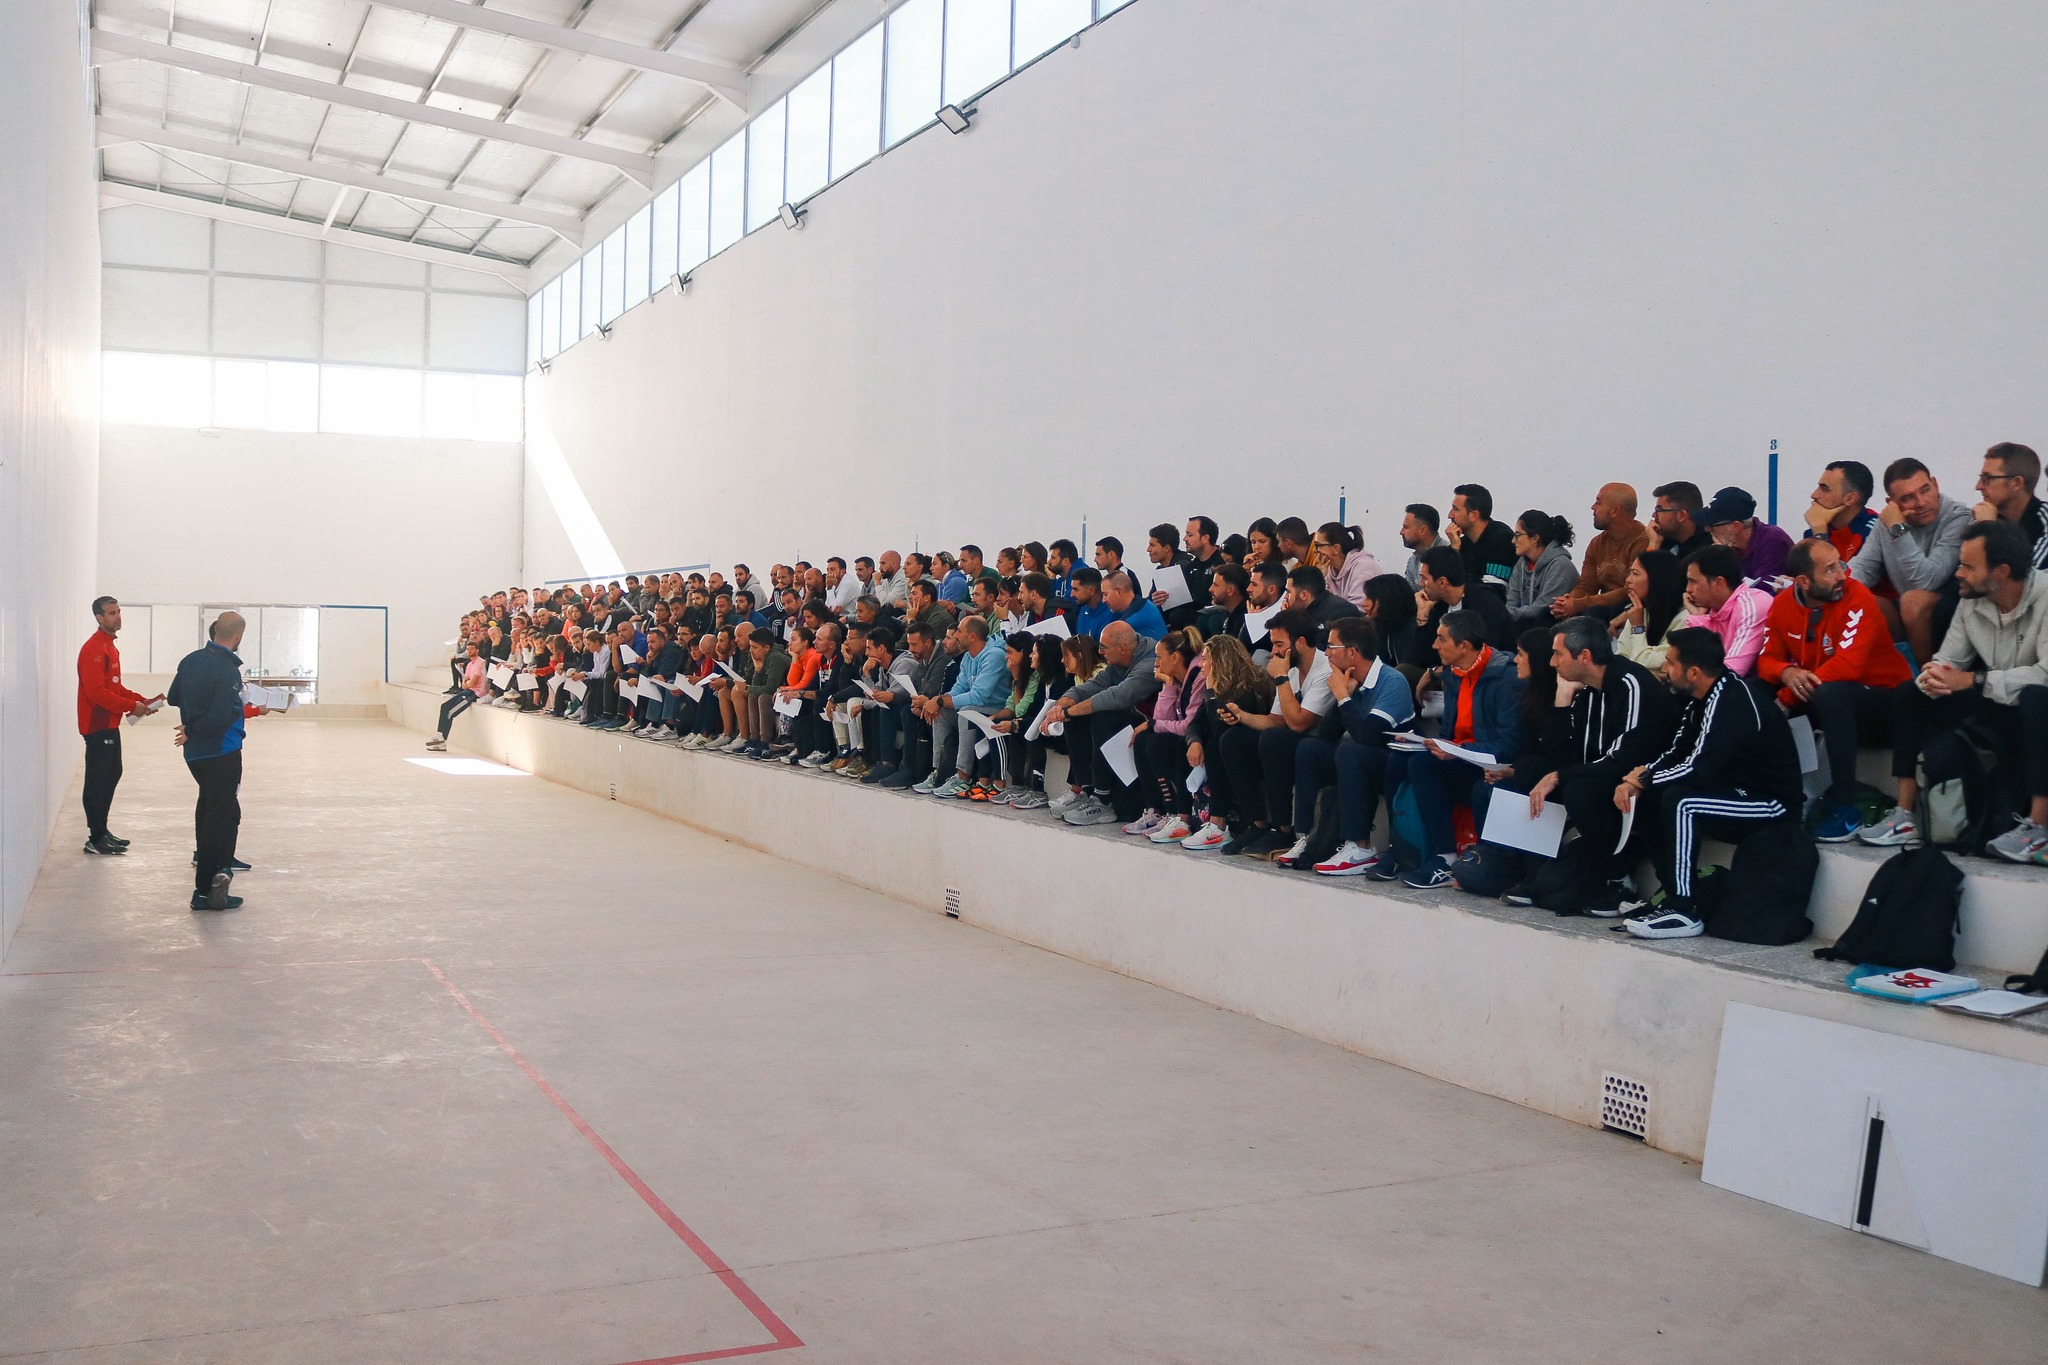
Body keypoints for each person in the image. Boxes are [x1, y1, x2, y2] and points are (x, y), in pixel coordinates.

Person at [1857, 520, 2048, 861]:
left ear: (2001, 571)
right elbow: (1949, 660)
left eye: (1968, 566)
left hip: (2036, 709)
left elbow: (2045, 675)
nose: (1958, 573)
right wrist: (1933, 676)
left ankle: (2039, 827)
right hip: (1998, 703)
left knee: (2037, 698)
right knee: (1911, 693)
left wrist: (1974, 681)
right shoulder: (1972, 597)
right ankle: (1905, 815)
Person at [1613, 628, 1804, 939]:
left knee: (1681, 801)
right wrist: (1642, 776)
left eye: (1671, 663)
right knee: (1655, 795)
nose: (1665, 668)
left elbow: (1698, 770)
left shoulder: (1732, 701)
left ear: (1693, 672)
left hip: (1771, 804)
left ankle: (1684, 909)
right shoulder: (1700, 699)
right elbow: (1678, 751)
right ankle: (1671, 893)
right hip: (1732, 794)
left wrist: (1645, 779)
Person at [1506, 616, 1679, 909]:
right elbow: (1563, 755)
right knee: (1530, 770)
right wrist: (1562, 699)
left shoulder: (1632, 684)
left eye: (1558, 654)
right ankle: (1536, 871)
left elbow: (1623, 760)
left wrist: (1559, 776)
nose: (1552, 663)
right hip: (1603, 776)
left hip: (1639, 784)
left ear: (1584, 656)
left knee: (1578, 789)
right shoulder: (1586, 690)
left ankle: (1619, 878)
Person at [1755, 537, 1910, 840]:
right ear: (1803, 582)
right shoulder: (1782, 604)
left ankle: (1844, 804)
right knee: (1756, 691)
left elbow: (1847, 666)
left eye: (1840, 564)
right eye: (1829, 570)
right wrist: (1786, 672)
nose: (1842, 574)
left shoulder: (1858, 596)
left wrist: (1787, 695)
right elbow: (1766, 660)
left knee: (1829, 693)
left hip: (1885, 703)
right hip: (1829, 697)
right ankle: (1774, 793)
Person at [1371, 609, 1523, 888]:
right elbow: (1449, 732)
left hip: (1492, 768)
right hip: (1462, 757)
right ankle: (1409, 850)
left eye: (1441, 639)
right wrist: (1428, 744)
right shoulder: (1453, 673)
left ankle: (1448, 858)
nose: (1434, 645)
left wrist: (1457, 749)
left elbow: (1508, 746)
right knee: (1403, 759)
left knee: (1423, 765)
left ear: (1463, 645)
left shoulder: (1507, 680)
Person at [1285, 616, 1416, 874]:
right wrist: (1344, 695)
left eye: (1331, 647)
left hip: (1394, 763)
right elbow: (1327, 734)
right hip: (1360, 761)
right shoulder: (1350, 680)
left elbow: (1368, 737)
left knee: (1350, 751)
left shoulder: (1392, 681)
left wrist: (1343, 696)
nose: (1326, 653)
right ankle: (1307, 838)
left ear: (1352, 652)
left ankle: (1360, 846)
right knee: (1310, 749)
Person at [1212, 611, 1335, 858]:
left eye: (1279, 644)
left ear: (1300, 642)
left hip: (1319, 748)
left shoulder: (1325, 669)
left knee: (1274, 739)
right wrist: (1241, 716)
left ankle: (1283, 828)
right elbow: (1276, 720)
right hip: (1289, 742)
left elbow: (1299, 724)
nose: (1274, 652)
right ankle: (1257, 824)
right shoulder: (1290, 669)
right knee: (1233, 740)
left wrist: (1280, 678)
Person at [169, 612, 268, 912]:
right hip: (221, 752)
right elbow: (220, 717)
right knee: (221, 817)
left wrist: (192, 723)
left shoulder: (190, 661)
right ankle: (207, 887)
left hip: (195, 755)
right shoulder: (228, 669)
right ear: (237, 637)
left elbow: (174, 697)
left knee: (211, 809)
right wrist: (195, 728)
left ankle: (218, 867)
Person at [1849, 456, 1973, 664]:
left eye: (1925, 490)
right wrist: (1834, 584)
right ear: (1892, 504)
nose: (1921, 503)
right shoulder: (1887, 522)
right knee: (1858, 597)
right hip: (1907, 615)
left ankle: (1924, 675)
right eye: (1908, 498)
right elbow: (1863, 568)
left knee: (1913, 602)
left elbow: (1927, 581)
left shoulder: (1958, 518)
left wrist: (1899, 530)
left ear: (1935, 484)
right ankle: (1893, 667)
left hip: (1950, 613)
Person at [1042, 621, 1163, 826]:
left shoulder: (1149, 662)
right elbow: (1091, 687)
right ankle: (1087, 790)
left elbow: (1118, 696)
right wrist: (1060, 707)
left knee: (1103, 715)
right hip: (1135, 718)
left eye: (1103, 647)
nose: (1099, 651)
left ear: (1122, 649)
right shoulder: (1121, 661)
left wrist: (1068, 711)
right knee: (1077, 717)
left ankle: (1102, 798)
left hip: (1151, 723)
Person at [76, 596, 162, 856]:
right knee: (98, 779)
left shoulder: (109, 647)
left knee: (112, 773)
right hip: (97, 725)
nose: (118, 617)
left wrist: (140, 700)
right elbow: (95, 692)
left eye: (118, 612)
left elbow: (114, 687)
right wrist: (130, 706)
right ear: (99, 617)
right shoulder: (94, 649)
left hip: (109, 723)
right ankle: (95, 838)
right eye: (112, 613)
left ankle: (102, 831)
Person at [1178, 635, 1276, 850]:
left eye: (1205, 659)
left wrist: (1212, 694)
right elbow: (1195, 723)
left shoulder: (1249, 688)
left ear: (1220, 661)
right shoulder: (1217, 687)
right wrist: (1194, 741)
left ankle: (1222, 823)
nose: (1200, 665)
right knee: (1183, 744)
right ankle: (1184, 817)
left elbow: (1219, 727)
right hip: (1232, 749)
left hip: (1258, 750)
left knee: (1218, 743)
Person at [1124, 628, 1208, 843]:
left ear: (1175, 658)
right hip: (1186, 734)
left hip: (1202, 738)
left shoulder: (1198, 675)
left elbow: (1189, 725)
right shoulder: (1177, 678)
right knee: (1144, 739)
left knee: (1156, 742)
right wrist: (1168, 686)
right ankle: (1156, 810)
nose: (1156, 663)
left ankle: (1174, 812)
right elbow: (1162, 719)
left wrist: (1153, 724)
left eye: (1159, 657)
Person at [1407, 546, 1512, 672]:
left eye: (1424, 578)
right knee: (1406, 670)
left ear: (1442, 582)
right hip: (1449, 673)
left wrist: (1441, 672)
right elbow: (1419, 660)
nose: (1420, 583)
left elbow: (1483, 655)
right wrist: (1422, 615)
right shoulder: (1438, 605)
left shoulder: (1485, 603)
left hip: (1491, 674)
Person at [1552, 483, 1648, 619]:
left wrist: (1578, 604)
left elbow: (1629, 590)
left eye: (1598, 502)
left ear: (1614, 511)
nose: (1593, 507)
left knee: (1593, 614)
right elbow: (1586, 585)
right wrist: (1567, 602)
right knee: (1547, 614)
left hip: (1627, 607)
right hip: (1598, 606)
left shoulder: (1642, 541)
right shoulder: (1596, 543)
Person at [1679, 544, 1772, 676]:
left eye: (1693, 581)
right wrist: (1697, 617)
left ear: (1719, 583)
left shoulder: (1751, 606)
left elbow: (1732, 672)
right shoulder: (1712, 614)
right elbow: (1685, 665)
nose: (1688, 589)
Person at [1972, 441, 2048, 570]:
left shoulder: (2044, 522)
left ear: (2016, 483)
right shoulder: (1983, 517)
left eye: (1987, 479)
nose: (1978, 486)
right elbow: (1964, 574)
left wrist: (1990, 532)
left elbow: (2028, 578)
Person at [1609, 550, 1688, 669]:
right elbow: (1622, 656)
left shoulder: (1686, 618)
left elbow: (1647, 663)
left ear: (1656, 578)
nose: (1628, 580)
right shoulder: (1639, 611)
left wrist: (1638, 628)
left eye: (1635, 573)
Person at [1701, 487, 1794, 583]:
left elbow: (1761, 590)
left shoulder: (1773, 542)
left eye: (1712, 525)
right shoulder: (1733, 547)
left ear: (1735, 527)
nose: (1707, 529)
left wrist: (1726, 561)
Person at [1504, 510, 1579, 629]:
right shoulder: (1521, 564)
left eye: (1518, 535)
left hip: (1555, 630)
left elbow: (1542, 609)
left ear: (1535, 538)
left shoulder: (1560, 566)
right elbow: (1511, 600)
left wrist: (1504, 615)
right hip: (1525, 626)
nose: (1513, 540)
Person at [1803, 460, 1879, 560]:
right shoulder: (1812, 533)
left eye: (1825, 489)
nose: (1814, 495)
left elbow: (1837, 570)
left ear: (1849, 499)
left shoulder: (1876, 532)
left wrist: (1820, 534)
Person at [1448, 484, 1516, 595]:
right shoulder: (1460, 543)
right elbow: (1445, 585)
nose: (1450, 515)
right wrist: (1455, 549)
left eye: (1455, 509)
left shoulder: (1502, 539)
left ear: (1473, 515)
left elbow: (1492, 592)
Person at [429, 643, 488, 751]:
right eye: (468, 649)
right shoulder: (470, 664)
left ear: (477, 650)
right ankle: (440, 735)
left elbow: (472, 682)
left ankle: (442, 741)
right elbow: (464, 684)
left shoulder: (480, 662)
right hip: (468, 691)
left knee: (451, 712)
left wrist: (468, 683)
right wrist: (468, 683)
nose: (469, 651)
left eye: (472, 649)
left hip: (475, 694)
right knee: (444, 706)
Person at [1311, 522, 1382, 607]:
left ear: (1336, 548)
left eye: (1318, 545)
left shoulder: (1363, 568)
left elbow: (1357, 610)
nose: (1314, 550)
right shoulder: (1328, 570)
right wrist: (1320, 577)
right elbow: (1318, 605)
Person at [1284, 563, 1363, 631]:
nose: (1286, 597)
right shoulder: (1301, 614)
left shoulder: (1341, 612)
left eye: (1288, 592)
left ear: (1304, 595)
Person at [1646, 481, 1711, 561]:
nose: (1653, 515)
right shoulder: (1663, 540)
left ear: (1681, 515)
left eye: (1659, 509)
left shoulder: (1706, 552)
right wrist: (1653, 545)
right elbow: (1642, 569)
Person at [1399, 504, 1447, 588]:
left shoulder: (1449, 554)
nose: (1401, 532)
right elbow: (1408, 593)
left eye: (1406, 527)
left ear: (1422, 530)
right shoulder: (1413, 560)